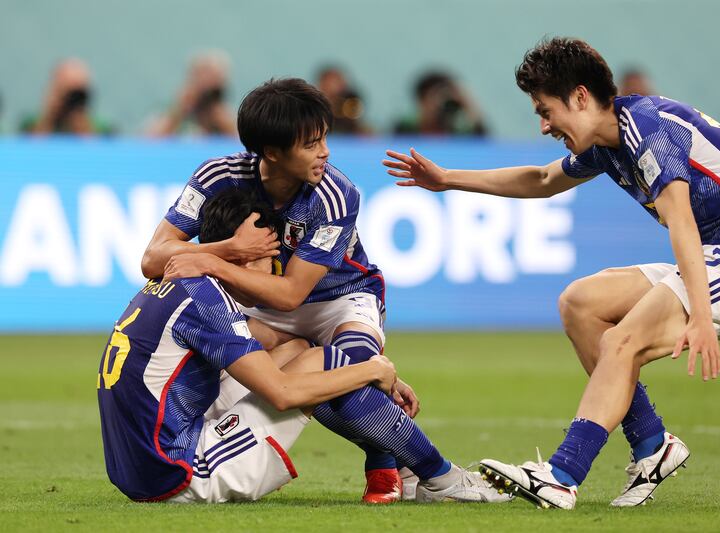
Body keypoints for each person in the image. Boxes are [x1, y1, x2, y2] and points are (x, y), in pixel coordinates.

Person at [383, 37, 720, 510]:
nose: (543, 125)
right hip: (713, 255)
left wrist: (700, 313)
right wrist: (448, 179)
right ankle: (651, 444)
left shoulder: (647, 129)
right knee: (581, 303)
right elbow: (541, 181)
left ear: (580, 97)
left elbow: (680, 221)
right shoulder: (609, 140)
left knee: (622, 341)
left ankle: (561, 476)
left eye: (546, 110)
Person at [140, 78, 487, 503]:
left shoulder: (336, 194)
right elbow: (152, 258)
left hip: (339, 300)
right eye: (310, 144)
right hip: (259, 301)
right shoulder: (218, 176)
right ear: (271, 152)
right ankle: (409, 463)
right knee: (324, 378)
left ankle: (388, 465)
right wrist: (229, 249)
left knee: (349, 364)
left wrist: (209, 259)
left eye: (324, 138)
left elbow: (291, 294)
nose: (324, 152)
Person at [102, 188, 510, 503]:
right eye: (266, 254)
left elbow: (279, 341)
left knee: (300, 349)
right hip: (181, 472)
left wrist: (384, 374)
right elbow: (282, 394)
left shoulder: (179, 282)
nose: (272, 268)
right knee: (324, 363)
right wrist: (374, 369)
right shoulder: (207, 301)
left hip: (140, 465)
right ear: (240, 254)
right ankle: (442, 478)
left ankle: (397, 461)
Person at [146, 51, 237, 137]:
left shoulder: (227, 116)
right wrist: (179, 111)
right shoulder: (172, 112)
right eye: (200, 76)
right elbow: (146, 142)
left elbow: (243, 144)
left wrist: (222, 120)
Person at [20, 58, 114, 135]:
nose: (72, 100)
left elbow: (103, 153)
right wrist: (50, 116)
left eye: (77, 95)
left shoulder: (103, 128)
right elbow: (30, 150)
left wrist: (83, 128)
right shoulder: (31, 124)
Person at [393, 70, 487, 136]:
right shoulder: (405, 128)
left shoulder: (458, 131)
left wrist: (468, 103)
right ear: (421, 101)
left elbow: (483, 143)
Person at [315, 65, 372, 135]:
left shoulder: (350, 98)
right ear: (321, 84)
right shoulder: (314, 103)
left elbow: (355, 120)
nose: (333, 86)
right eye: (330, 83)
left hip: (348, 134)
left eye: (337, 82)